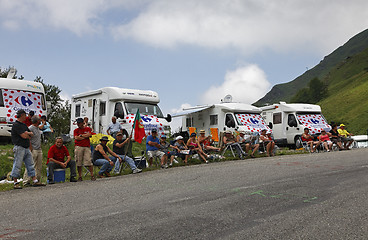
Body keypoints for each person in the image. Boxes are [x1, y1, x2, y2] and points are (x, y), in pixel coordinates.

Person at [10, 109, 45, 189]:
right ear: (22, 115)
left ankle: (34, 180)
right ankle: (15, 182)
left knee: (30, 164)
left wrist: (27, 133)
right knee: (17, 164)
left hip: (26, 147)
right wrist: (27, 134)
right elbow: (24, 136)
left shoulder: (24, 125)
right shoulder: (16, 125)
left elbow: (30, 134)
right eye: (25, 115)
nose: (26, 117)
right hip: (19, 147)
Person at [23, 115, 43, 186]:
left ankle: (36, 180)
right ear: (37, 121)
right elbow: (28, 138)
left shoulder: (37, 128)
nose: (40, 121)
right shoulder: (30, 128)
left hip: (39, 149)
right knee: (31, 165)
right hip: (33, 149)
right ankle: (26, 181)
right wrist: (30, 148)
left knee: (39, 166)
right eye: (40, 120)